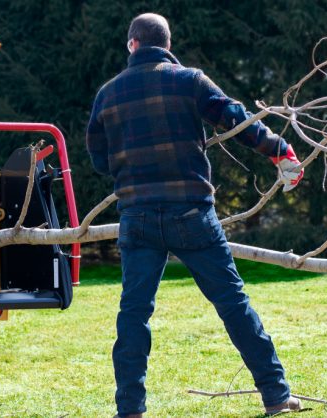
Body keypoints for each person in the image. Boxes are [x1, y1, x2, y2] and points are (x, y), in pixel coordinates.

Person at [85, 12, 305, 417]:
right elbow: (237, 120)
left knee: (134, 314)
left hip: (138, 218)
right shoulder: (189, 80)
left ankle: (130, 409)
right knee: (233, 305)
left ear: (132, 44)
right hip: (193, 215)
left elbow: (99, 160)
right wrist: (279, 151)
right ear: (167, 45)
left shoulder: (108, 94)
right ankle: (276, 396)